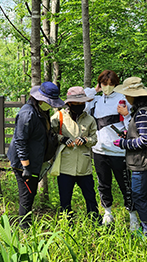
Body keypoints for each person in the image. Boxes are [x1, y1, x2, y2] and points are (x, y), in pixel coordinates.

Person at [85, 70, 138, 229]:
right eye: (104, 84)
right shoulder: (95, 100)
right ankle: (107, 212)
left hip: (119, 151)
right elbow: (84, 101)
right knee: (103, 183)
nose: (107, 87)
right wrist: (95, 90)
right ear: (100, 84)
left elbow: (131, 125)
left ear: (116, 85)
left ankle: (133, 216)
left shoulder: (123, 99)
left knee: (125, 184)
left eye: (111, 84)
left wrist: (126, 114)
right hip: (99, 150)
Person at [7, 81, 64, 229]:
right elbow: (20, 141)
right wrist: (26, 166)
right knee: (26, 196)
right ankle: (24, 229)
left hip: (35, 160)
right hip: (24, 164)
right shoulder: (27, 114)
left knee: (30, 195)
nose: (50, 105)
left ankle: (26, 225)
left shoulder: (41, 111)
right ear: (40, 98)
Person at [112, 77, 147, 238]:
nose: (125, 98)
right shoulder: (144, 111)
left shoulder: (143, 113)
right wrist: (129, 134)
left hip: (143, 162)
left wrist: (124, 143)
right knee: (145, 195)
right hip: (144, 161)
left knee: (139, 196)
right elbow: (142, 134)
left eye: (127, 95)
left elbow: (146, 140)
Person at [50, 86, 99, 223]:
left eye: (82, 103)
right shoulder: (59, 117)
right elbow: (50, 134)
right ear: (69, 103)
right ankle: (67, 222)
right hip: (65, 164)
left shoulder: (90, 119)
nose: (79, 106)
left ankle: (94, 220)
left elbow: (94, 139)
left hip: (84, 166)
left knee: (90, 196)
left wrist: (86, 140)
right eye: (76, 104)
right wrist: (62, 139)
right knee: (65, 197)